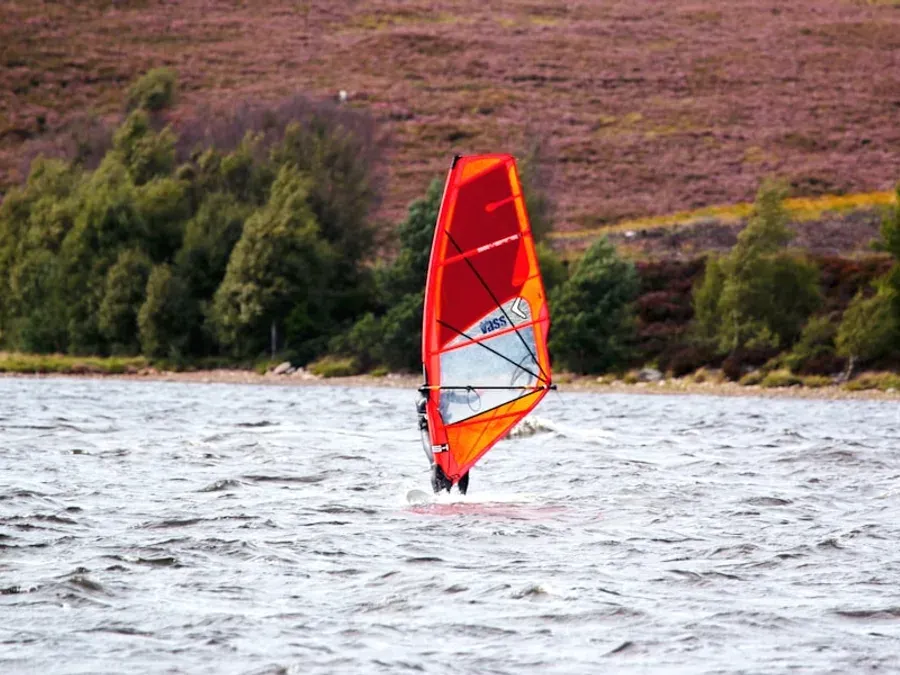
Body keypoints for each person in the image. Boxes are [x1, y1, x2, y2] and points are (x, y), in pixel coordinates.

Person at [417, 392, 468, 495]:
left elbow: (465, 399)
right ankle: (439, 495)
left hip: (444, 431)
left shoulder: (446, 394)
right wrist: (431, 397)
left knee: (464, 464)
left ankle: (462, 495)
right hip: (428, 432)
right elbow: (422, 404)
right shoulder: (423, 395)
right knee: (436, 463)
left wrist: (479, 394)